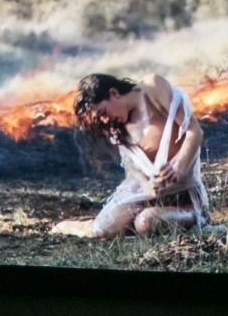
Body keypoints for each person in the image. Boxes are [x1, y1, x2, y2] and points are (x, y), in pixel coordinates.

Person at [51, 72, 211, 238]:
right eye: (99, 118)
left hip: (184, 195)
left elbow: (194, 130)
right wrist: (148, 185)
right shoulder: (116, 125)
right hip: (149, 196)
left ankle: (197, 216)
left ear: (114, 93)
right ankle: (72, 226)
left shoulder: (152, 87)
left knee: (146, 222)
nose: (105, 120)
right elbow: (131, 165)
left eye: (103, 113)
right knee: (102, 229)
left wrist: (179, 167)